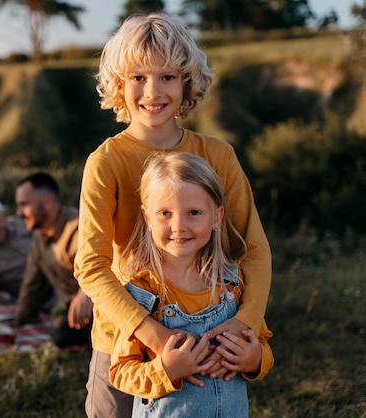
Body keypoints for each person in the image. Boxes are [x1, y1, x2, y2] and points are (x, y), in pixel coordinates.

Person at [73, 13, 273, 417]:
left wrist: (246, 322)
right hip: (124, 340)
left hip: (210, 334)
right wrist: (153, 333)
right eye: (138, 78)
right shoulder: (106, 162)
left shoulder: (218, 155)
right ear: (119, 84)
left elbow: (252, 248)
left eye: (167, 77)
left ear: (187, 82)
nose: (153, 91)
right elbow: (91, 265)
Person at [109, 152, 274, 417]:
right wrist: (166, 370)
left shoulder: (232, 282)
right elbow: (121, 372)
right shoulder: (143, 292)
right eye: (165, 213)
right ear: (148, 218)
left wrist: (253, 360)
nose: (179, 226)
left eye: (194, 212)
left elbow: (261, 343)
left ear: (217, 217)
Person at [14, 172, 93, 348]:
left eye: (24, 205)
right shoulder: (39, 235)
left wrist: (86, 292)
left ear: (47, 202)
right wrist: (19, 318)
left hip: (96, 306)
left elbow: (103, 268)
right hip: (70, 309)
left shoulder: (79, 230)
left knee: (60, 332)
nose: (19, 213)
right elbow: (32, 282)